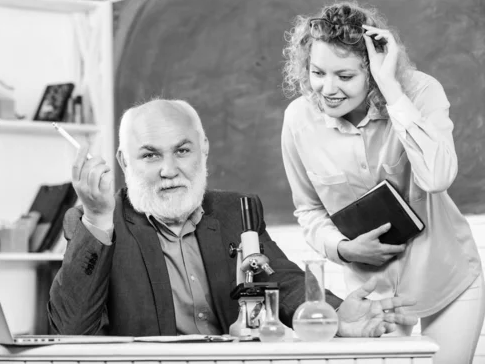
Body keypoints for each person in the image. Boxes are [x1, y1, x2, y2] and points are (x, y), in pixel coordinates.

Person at [48, 98, 417, 339]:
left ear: (203, 148)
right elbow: (69, 331)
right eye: (149, 156)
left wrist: (335, 316)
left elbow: (282, 281)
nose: (169, 170)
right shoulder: (96, 222)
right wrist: (97, 217)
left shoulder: (237, 210)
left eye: (182, 150)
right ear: (124, 161)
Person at [280, 0, 484, 362]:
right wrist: (343, 248)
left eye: (345, 76)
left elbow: (437, 177)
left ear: (372, 69)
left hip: (449, 278)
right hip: (372, 296)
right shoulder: (298, 120)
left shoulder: (420, 93)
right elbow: (309, 209)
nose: (327, 88)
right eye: (317, 72)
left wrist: (391, 90)